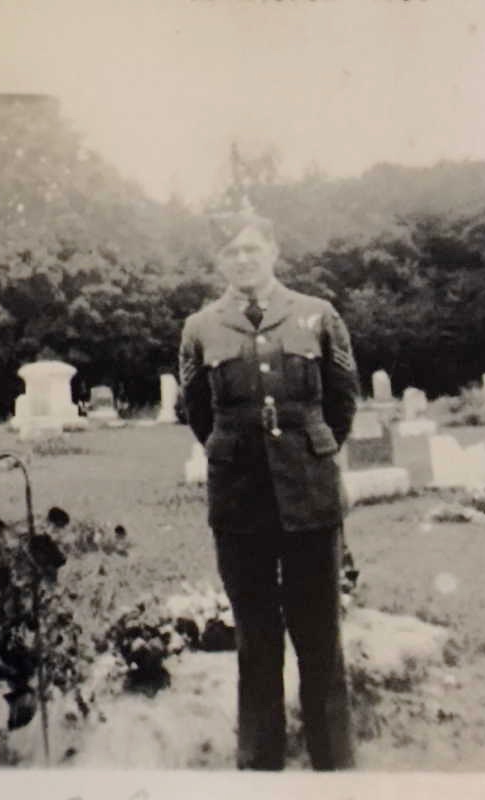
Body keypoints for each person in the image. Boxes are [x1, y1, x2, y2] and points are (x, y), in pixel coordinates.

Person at [178, 207, 359, 771]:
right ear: (219, 262)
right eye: (231, 252)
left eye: (252, 248)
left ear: (274, 252)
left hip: (310, 495)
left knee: (319, 634)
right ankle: (260, 766)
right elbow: (199, 413)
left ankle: (334, 765)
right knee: (255, 638)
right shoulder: (200, 327)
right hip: (240, 500)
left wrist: (306, 454)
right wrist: (243, 454)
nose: (242, 260)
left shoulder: (317, 314)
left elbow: (342, 401)